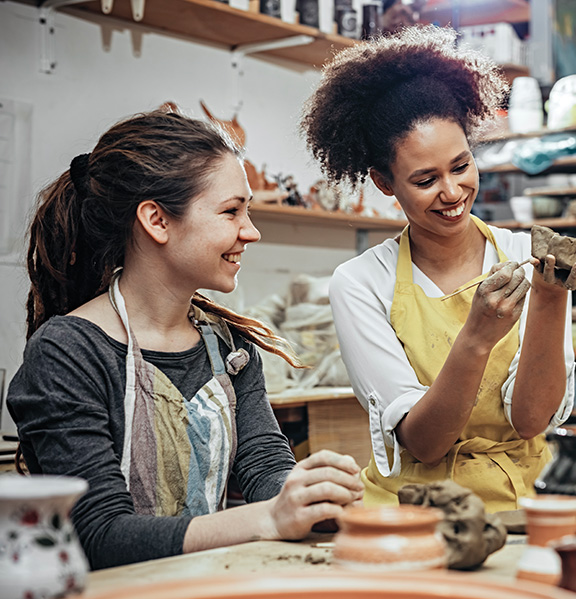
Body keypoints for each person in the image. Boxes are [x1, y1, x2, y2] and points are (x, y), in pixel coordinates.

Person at [7, 111, 363, 570]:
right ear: (157, 220)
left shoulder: (229, 346)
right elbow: (97, 534)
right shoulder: (69, 354)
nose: (251, 231)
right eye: (231, 211)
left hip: (201, 592)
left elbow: (263, 466)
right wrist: (272, 518)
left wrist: (310, 495)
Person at [300, 26, 576, 512]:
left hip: (522, 501)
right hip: (414, 511)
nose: (452, 192)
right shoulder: (363, 282)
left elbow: (532, 421)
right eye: (426, 179)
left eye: (461, 165)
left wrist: (551, 297)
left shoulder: (524, 255)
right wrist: (476, 337)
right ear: (385, 183)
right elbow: (426, 443)